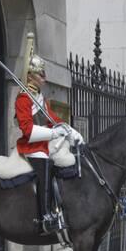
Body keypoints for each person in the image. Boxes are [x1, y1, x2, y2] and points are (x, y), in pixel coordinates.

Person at [15, 53, 83, 235]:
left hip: (43, 144)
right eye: (40, 74)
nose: (44, 78)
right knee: (45, 164)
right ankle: (45, 217)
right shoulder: (23, 98)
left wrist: (69, 130)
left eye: (44, 74)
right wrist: (54, 132)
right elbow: (27, 130)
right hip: (31, 146)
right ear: (29, 76)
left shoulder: (38, 96)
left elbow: (52, 118)